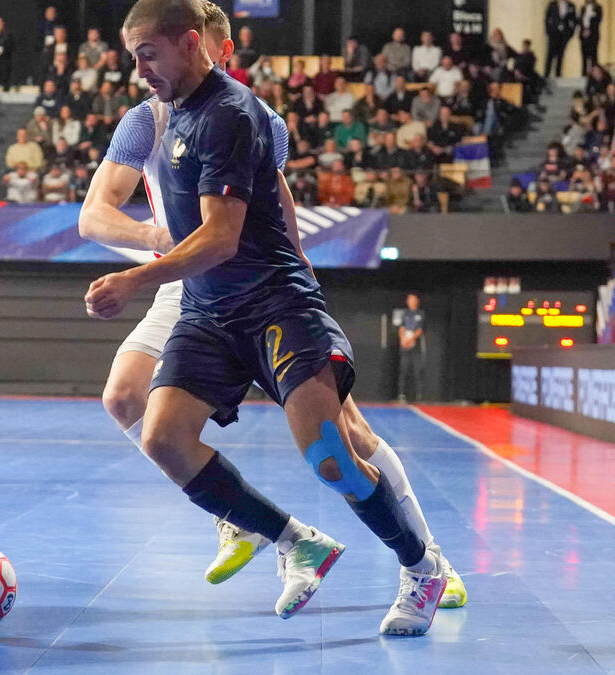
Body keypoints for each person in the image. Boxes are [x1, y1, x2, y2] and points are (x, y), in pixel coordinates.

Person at [81, 0, 464, 634]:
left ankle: (424, 564)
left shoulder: (239, 115)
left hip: (262, 297)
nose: (140, 70)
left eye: (148, 55)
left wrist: (140, 274)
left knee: (333, 450)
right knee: (155, 430)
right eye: (135, 58)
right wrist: (156, 246)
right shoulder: (151, 118)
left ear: (196, 44)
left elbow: (232, 232)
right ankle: (288, 537)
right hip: (200, 299)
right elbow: (96, 214)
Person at [397, 294, 426, 403]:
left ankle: (419, 396)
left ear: (416, 301)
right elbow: (401, 328)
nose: (410, 301)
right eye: (409, 299)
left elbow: (420, 330)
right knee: (403, 370)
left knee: (417, 371)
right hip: (405, 347)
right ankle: (401, 395)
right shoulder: (405, 314)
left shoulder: (420, 314)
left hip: (416, 347)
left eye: (412, 299)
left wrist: (411, 339)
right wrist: (403, 340)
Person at [545, 0, 578, 78]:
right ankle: (547, 74)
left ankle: (558, 74)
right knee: (550, 54)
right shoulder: (552, 4)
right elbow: (547, 18)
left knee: (561, 54)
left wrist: (571, 32)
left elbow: (574, 19)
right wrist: (549, 31)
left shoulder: (571, 5)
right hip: (553, 33)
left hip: (564, 34)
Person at [579, 0, 602, 76]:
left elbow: (598, 20)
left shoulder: (598, 8)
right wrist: (584, 30)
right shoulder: (583, 8)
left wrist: (590, 30)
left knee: (593, 55)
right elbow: (580, 21)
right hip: (583, 35)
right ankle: (584, 73)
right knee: (584, 55)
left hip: (593, 35)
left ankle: (594, 73)